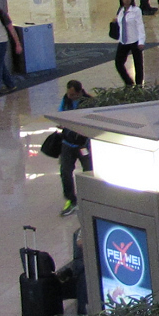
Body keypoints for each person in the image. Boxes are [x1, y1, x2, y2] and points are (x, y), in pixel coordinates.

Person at [56, 78, 89, 217]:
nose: (70, 97)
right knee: (65, 171)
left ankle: (89, 198)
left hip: (84, 145)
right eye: (69, 94)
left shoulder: (89, 103)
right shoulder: (66, 100)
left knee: (89, 171)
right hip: (68, 143)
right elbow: (60, 115)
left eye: (73, 95)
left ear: (80, 92)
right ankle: (71, 199)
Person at [112, 0, 145, 86]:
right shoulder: (121, 10)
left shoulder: (136, 10)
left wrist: (141, 41)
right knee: (118, 63)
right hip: (123, 41)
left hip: (134, 40)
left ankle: (139, 85)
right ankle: (128, 82)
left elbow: (140, 26)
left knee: (138, 65)